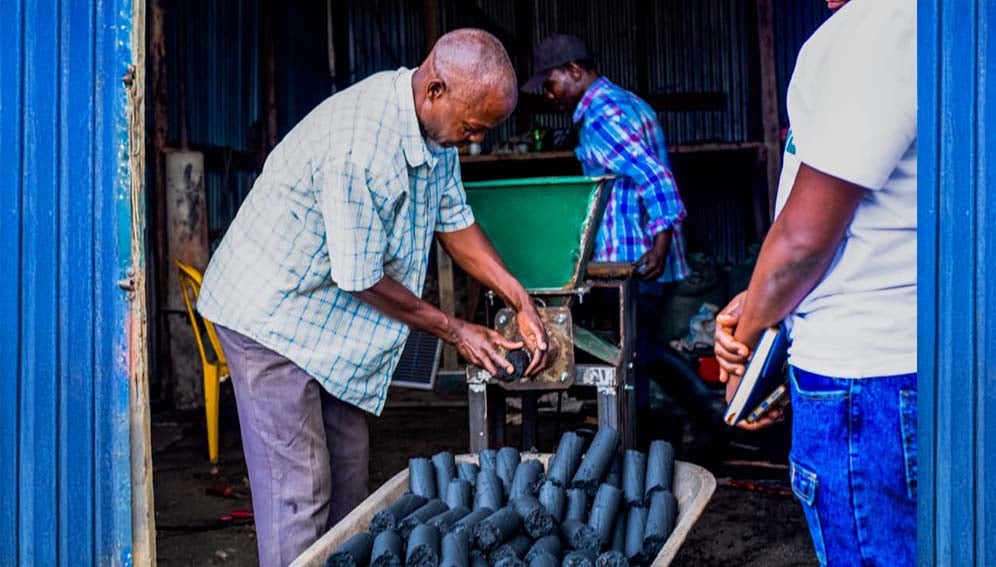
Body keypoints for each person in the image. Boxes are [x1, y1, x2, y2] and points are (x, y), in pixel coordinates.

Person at [197, 29, 549, 566]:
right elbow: (361, 277)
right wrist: (455, 329)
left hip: (328, 320)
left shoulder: (436, 132)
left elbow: (456, 224)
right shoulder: (360, 149)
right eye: (472, 126)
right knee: (300, 493)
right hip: (273, 317)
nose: (473, 140)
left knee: (350, 479)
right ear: (435, 89)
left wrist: (518, 297)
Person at [714, 0, 916, 564]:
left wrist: (744, 344)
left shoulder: (873, 29)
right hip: (909, 368)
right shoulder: (940, 26)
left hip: (862, 385)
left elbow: (803, 242)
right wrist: (761, 296)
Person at [521, 35, 724, 453]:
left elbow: (655, 176)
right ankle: (697, 426)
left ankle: (645, 445)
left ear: (575, 71)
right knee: (643, 352)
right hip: (643, 252)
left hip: (633, 257)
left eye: (551, 82)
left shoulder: (601, 115)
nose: (548, 94)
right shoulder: (626, 102)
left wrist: (662, 238)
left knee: (631, 357)